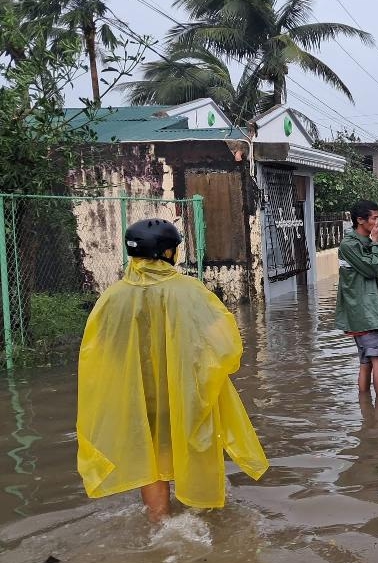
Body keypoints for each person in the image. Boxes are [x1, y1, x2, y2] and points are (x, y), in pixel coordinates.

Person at [77, 218, 268, 523]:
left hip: (137, 397)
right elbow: (226, 345)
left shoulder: (111, 298)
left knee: (149, 458)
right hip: (186, 393)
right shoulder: (190, 292)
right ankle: (200, 516)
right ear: (168, 253)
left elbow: (97, 351)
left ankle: (159, 521)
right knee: (196, 445)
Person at [335, 200, 378, 397]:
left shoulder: (360, 243)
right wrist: (376, 242)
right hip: (363, 315)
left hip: (365, 314)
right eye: (374, 218)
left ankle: (368, 415)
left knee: (366, 362)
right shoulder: (349, 244)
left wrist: (373, 243)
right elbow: (371, 269)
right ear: (360, 220)